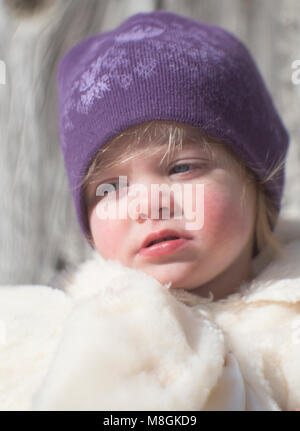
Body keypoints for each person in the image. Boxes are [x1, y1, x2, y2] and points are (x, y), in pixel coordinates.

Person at [1, 10, 299, 411]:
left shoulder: (290, 335)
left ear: (255, 179)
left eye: (182, 167)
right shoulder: (56, 343)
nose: (148, 205)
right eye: (111, 187)